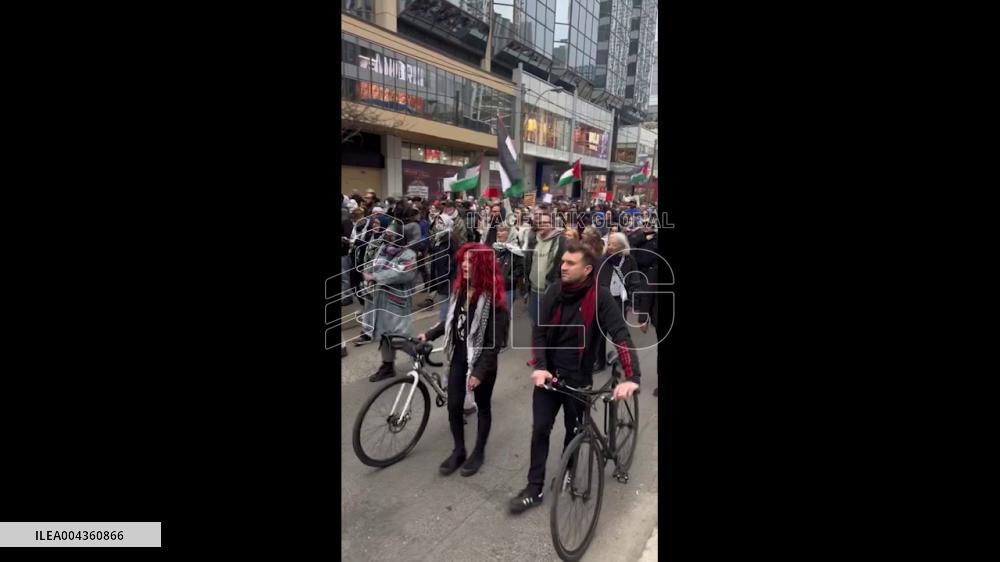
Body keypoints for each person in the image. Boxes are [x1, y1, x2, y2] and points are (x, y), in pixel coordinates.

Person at [509, 240, 642, 513]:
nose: (563, 267)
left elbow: (621, 335)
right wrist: (541, 365)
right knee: (540, 431)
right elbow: (540, 332)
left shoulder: (600, 297)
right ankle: (534, 489)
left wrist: (632, 377)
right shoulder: (555, 291)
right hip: (550, 376)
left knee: (573, 432)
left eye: (570, 263)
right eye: (563, 262)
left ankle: (568, 471)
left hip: (578, 379)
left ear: (587, 269)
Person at [416, 243, 509, 476]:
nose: (465, 265)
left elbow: (493, 343)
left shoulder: (494, 302)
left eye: (471, 262)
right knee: (454, 405)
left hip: (481, 363)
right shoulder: (460, 291)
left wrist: (478, 372)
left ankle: (479, 451)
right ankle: (459, 450)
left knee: (483, 406)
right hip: (458, 356)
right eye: (464, 261)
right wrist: (429, 334)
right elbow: (450, 320)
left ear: (484, 266)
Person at [365, 225, 422, 382]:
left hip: (396, 299)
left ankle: (419, 351)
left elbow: (403, 274)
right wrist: (369, 273)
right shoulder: (383, 250)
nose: (387, 234)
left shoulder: (409, 254)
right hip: (380, 298)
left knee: (398, 336)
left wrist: (376, 276)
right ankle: (387, 366)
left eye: (391, 232)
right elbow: (372, 265)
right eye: (388, 232)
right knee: (385, 334)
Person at [523, 208, 567, 366]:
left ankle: (550, 357)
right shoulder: (534, 239)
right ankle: (537, 355)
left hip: (549, 291)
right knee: (536, 325)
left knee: (550, 325)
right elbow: (528, 262)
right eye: (539, 222)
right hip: (534, 290)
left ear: (553, 224)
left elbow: (562, 267)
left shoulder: (560, 241)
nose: (541, 225)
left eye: (545, 222)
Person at [594, 232, 641, 373]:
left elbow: (634, 280)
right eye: (609, 243)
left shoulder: (629, 260)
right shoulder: (601, 260)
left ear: (621, 246)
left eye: (613, 244)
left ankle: (625, 360)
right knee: (599, 333)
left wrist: (636, 303)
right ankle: (599, 361)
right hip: (603, 301)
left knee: (620, 333)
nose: (609, 246)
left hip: (620, 301)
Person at [493, 225, 524, 313]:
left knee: (503, 316)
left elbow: (520, 269)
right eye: (498, 231)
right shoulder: (494, 247)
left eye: (502, 231)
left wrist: (507, 279)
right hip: (491, 288)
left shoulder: (516, 250)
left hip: (507, 290)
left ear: (510, 233)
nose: (499, 233)